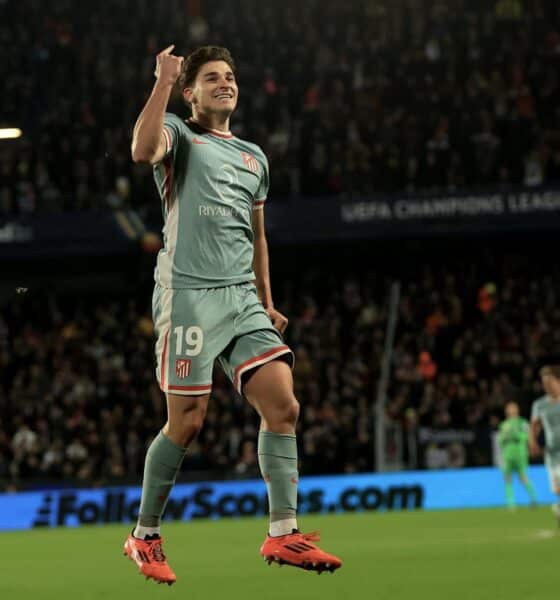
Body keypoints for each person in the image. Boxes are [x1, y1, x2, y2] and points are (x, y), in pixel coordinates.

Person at [123, 44, 342, 585]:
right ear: (191, 92)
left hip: (242, 296)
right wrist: (163, 84)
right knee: (188, 422)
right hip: (190, 296)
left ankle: (283, 531)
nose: (225, 83)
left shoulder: (254, 157)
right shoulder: (179, 134)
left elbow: (258, 235)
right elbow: (140, 149)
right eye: (212, 78)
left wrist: (266, 299)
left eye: (230, 77)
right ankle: (144, 536)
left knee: (283, 404)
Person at [529, 365, 560, 526]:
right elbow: (534, 425)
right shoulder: (539, 404)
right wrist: (532, 441)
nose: (546, 386)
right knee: (557, 490)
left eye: (550, 382)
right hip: (552, 452)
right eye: (544, 383)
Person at [497, 401, 537, 509]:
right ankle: (510, 504)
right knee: (507, 477)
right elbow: (499, 440)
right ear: (506, 411)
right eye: (509, 408)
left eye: (513, 408)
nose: (512, 410)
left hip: (520, 453)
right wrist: (504, 438)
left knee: (523, 477)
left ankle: (534, 499)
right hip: (508, 454)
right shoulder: (503, 425)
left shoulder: (522, 422)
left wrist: (516, 435)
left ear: (517, 409)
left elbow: (527, 436)